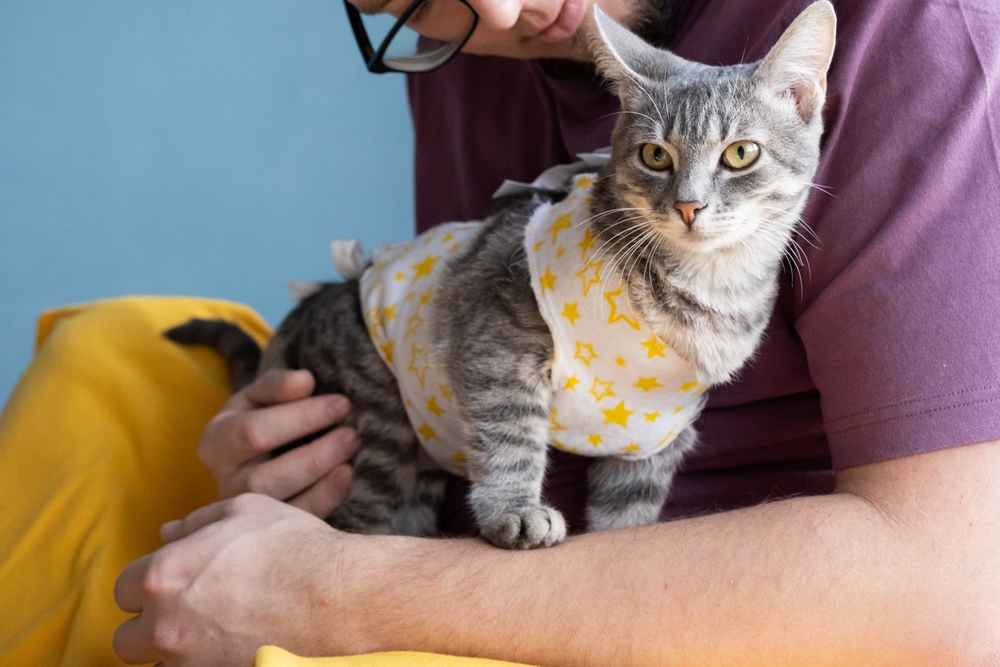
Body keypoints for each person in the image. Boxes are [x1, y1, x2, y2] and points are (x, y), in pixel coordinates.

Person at [5, 0, 998, 664]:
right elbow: (474, 348)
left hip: (723, 617)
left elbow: (955, 594)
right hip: (451, 534)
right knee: (109, 351)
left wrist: (335, 593)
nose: (515, 8)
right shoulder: (460, 39)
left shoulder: (908, 35)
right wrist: (301, 461)